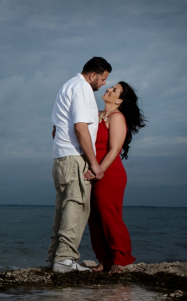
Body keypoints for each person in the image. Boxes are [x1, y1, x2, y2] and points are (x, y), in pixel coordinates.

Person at [47, 57, 111, 273]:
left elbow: (56, 128)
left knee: (63, 208)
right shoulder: (82, 88)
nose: (103, 84)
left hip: (61, 157)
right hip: (74, 157)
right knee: (77, 205)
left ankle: (55, 258)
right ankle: (65, 260)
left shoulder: (67, 86)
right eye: (102, 79)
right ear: (92, 75)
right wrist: (94, 164)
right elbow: (80, 128)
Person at [85, 82, 146, 273]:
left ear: (119, 100)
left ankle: (122, 260)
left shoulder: (117, 117)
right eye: (111, 87)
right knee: (94, 217)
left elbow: (114, 150)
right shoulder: (96, 116)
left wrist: (98, 171)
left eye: (114, 90)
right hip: (95, 170)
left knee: (109, 216)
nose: (109, 89)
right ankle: (105, 260)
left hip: (109, 173)